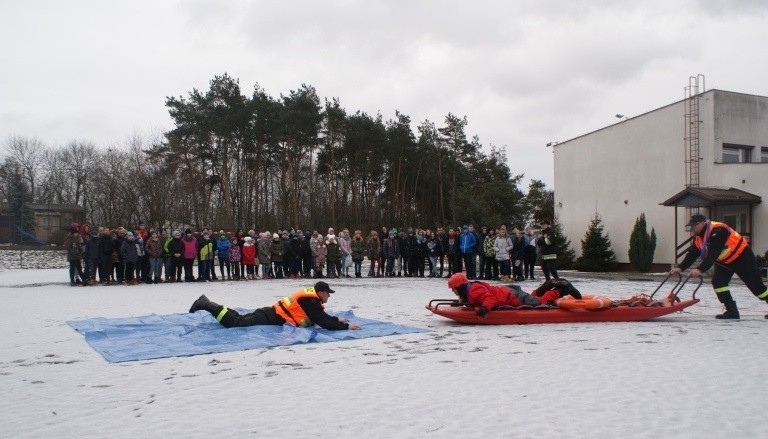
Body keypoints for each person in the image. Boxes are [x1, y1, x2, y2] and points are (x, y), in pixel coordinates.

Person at [670, 214, 768, 319]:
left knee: (758, 289)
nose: (692, 228)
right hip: (725, 262)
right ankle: (732, 311)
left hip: (742, 258)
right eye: (691, 226)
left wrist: (700, 269)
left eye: (694, 225)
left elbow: (714, 253)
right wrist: (680, 267)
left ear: (703, 223)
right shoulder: (699, 238)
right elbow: (693, 253)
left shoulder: (718, 230)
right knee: (718, 283)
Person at [188, 281, 361, 330]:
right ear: (321, 292)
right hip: (271, 316)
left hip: (270, 313)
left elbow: (321, 317)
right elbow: (323, 321)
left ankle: (207, 302)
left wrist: (337, 318)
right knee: (236, 324)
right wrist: (346, 327)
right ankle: (206, 304)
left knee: (239, 319)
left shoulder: (311, 300)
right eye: (328, 293)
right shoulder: (311, 301)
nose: (329, 296)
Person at [447, 273, 559, 318]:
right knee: (531, 298)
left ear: (460, 287)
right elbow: (476, 299)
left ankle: (557, 292)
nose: (453, 291)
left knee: (540, 302)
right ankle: (543, 289)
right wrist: (460, 303)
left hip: (511, 296)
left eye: (454, 289)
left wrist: (484, 309)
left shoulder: (474, 290)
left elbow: (490, 299)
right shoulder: (470, 289)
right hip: (507, 293)